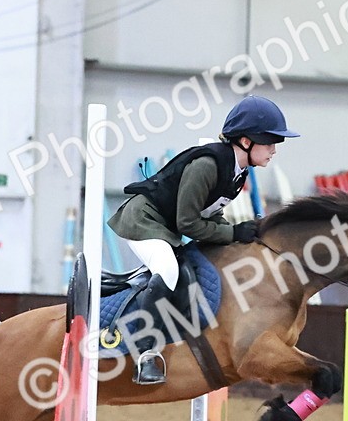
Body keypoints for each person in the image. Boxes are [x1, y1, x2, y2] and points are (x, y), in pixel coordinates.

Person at [106, 95, 299, 384]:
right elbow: (189, 223)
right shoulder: (207, 165)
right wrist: (233, 232)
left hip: (167, 226)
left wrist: (242, 235)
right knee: (168, 270)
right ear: (246, 141)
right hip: (143, 221)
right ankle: (145, 354)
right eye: (270, 142)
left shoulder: (237, 171)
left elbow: (209, 214)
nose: (274, 150)